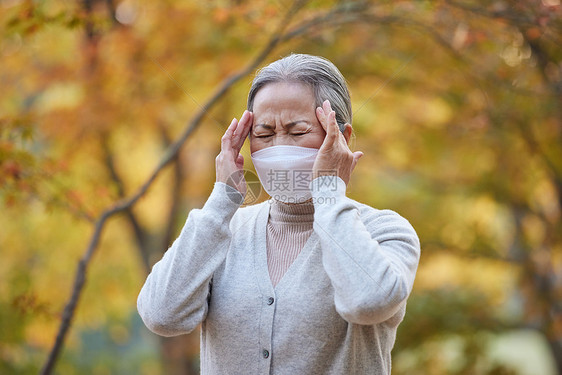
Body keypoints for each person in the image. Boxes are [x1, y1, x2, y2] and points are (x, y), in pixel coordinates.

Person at [137, 54, 420, 374]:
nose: (279, 147)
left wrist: (328, 192)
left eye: (297, 132)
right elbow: (161, 315)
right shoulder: (223, 230)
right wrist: (221, 201)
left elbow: (369, 301)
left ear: (341, 137)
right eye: (264, 134)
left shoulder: (384, 230)